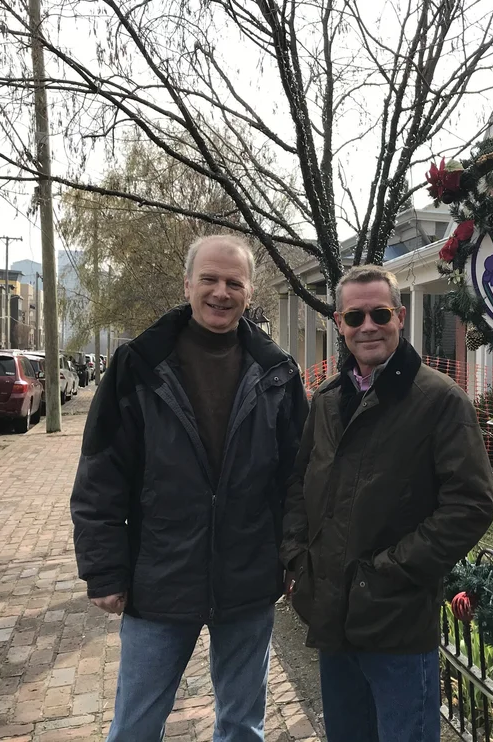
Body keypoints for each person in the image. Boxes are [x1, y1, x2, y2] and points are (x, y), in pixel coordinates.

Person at [71, 234, 308, 741]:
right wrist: (104, 569)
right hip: (159, 578)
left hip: (247, 580)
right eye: (209, 279)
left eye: (233, 282)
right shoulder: (137, 365)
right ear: (187, 284)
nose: (221, 292)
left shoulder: (277, 373)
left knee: (243, 726)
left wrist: (293, 558)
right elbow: (100, 473)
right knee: (135, 725)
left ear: (249, 292)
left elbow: (296, 480)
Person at [281, 265, 493, 742]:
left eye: (379, 313)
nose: (368, 326)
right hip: (333, 618)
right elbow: (298, 485)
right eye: (355, 317)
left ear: (399, 316)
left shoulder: (441, 401)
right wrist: (297, 564)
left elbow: (472, 505)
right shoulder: (327, 400)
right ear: (339, 323)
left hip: (396, 624)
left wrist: (387, 572)